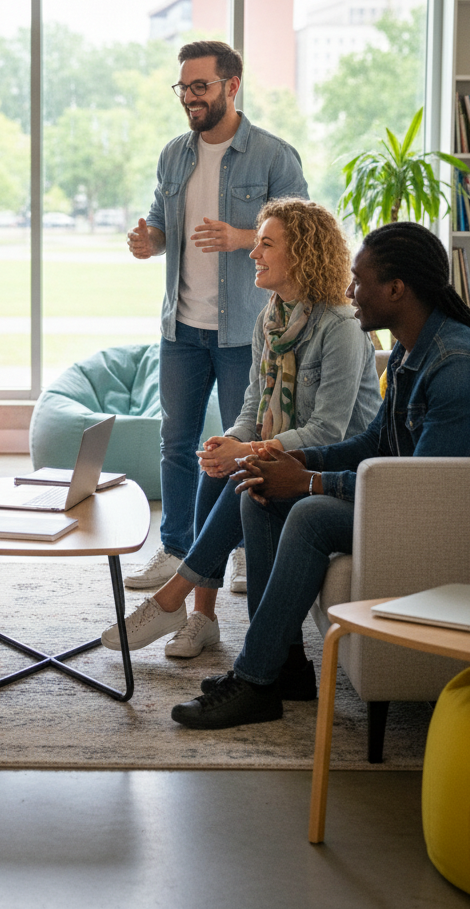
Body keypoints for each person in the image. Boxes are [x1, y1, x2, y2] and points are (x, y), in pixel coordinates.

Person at [171, 222, 470, 730]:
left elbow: (419, 488)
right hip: (415, 498)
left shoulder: (458, 364)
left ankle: (254, 681)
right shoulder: (412, 348)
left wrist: (310, 484)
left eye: (359, 281)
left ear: (395, 290)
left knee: (312, 515)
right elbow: (374, 446)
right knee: (259, 491)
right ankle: (287, 670)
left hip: (462, 524)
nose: (349, 292)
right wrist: (291, 465)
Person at [103, 198, 381, 658]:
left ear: (303, 253)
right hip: (291, 455)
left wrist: (246, 452)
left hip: (331, 468)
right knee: (221, 467)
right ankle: (202, 617)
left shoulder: (342, 327)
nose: (253, 252)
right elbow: (254, 404)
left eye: (266, 244)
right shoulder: (270, 318)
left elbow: (330, 432)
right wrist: (232, 440)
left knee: (240, 472)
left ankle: (173, 598)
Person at [124, 39, 309, 593]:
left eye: (200, 86)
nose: (189, 98)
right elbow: (160, 227)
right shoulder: (173, 155)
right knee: (176, 444)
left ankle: (247, 551)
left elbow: (303, 234)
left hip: (245, 331)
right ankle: (177, 547)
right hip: (181, 327)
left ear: (232, 85)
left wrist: (244, 237)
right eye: (183, 87)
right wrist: (147, 241)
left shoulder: (274, 156)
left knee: (248, 444)